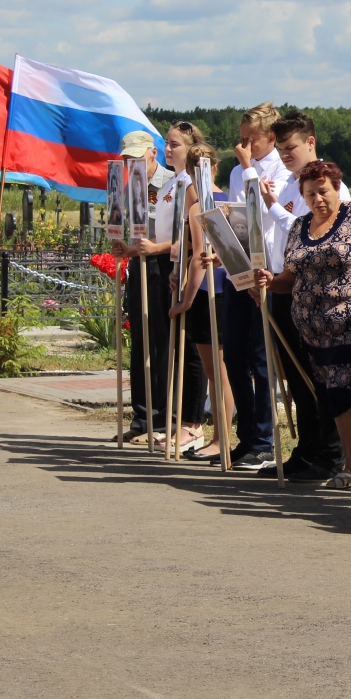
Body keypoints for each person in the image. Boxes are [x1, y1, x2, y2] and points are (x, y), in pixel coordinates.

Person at [259, 160, 351, 491]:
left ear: (336, 187)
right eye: (310, 194)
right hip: (316, 330)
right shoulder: (299, 227)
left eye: (322, 191)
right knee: (333, 393)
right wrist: (269, 281)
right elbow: (288, 279)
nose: (317, 199)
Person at [259, 110, 351, 482]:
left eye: (291, 147)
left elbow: (315, 232)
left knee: (318, 374)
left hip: (314, 291)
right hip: (284, 282)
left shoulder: (331, 185)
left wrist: (272, 211)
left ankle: (329, 453)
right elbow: (277, 236)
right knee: (297, 376)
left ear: (310, 142)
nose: (285, 155)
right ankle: (308, 448)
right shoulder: (288, 185)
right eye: (280, 149)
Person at [222, 102, 288, 472]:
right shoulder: (237, 171)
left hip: (268, 268)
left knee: (261, 360)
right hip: (240, 267)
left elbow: (261, 208)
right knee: (235, 354)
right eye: (242, 139)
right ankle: (246, 433)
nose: (245, 146)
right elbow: (239, 214)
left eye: (253, 140)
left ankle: (263, 439)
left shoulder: (277, 170)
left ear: (270, 138)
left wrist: (248, 168)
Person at [170, 142, 235, 463]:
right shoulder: (229, 201)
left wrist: (185, 300)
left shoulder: (200, 207)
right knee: (222, 371)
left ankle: (221, 438)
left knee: (217, 373)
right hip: (229, 290)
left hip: (212, 292)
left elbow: (199, 258)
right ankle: (219, 437)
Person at [111, 129, 175, 445]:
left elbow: (182, 235)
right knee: (140, 341)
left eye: (137, 157)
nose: (131, 163)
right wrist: (126, 248)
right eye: (127, 159)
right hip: (140, 267)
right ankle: (142, 417)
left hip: (165, 268)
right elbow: (136, 235)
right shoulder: (131, 187)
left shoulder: (172, 183)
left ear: (153, 152)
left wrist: (153, 249)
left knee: (162, 343)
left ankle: (164, 419)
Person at [155, 121, 209, 456]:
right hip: (173, 265)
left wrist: (182, 261)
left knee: (192, 349)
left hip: (186, 263)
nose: (168, 148)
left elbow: (193, 228)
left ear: (190, 147)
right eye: (166, 143)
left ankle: (192, 421)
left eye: (175, 144)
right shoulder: (173, 180)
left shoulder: (190, 182)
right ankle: (179, 420)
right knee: (179, 346)